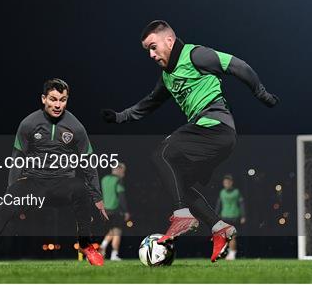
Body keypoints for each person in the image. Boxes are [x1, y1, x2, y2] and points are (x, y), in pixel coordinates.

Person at [100, 20, 279, 262]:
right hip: (210, 136)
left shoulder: (195, 55)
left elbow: (238, 65)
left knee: (161, 154)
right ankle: (219, 227)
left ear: (169, 41)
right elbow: (148, 104)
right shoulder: (167, 76)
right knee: (178, 182)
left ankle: (182, 215)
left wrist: (261, 92)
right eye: (147, 51)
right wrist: (120, 117)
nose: (151, 55)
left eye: (153, 47)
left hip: (215, 128)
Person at [0, 78, 107, 267]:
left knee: (80, 188)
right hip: (34, 182)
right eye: (53, 99)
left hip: (62, 182)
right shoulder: (28, 124)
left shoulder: (76, 127)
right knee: (4, 205)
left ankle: (86, 245)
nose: (58, 105)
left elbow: (89, 161)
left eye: (63, 99)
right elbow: (17, 159)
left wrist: (97, 196)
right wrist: (13, 190)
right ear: (43, 99)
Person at [99, 163, 131, 260]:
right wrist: (125, 211)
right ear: (118, 170)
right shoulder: (118, 180)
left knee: (112, 231)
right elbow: (121, 197)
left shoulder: (104, 179)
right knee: (117, 232)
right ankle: (114, 254)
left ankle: (102, 247)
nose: (124, 174)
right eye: (123, 171)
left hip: (105, 211)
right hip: (115, 210)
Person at [215, 174, 246, 260]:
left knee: (232, 236)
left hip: (234, 217)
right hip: (224, 217)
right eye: (225, 183)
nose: (226, 184)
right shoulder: (222, 192)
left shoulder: (237, 192)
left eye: (228, 183)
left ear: (231, 183)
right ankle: (227, 252)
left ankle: (232, 253)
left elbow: (242, 204)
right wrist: (215, 216)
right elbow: (218, 205)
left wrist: (243, 216)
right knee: (224, 236)